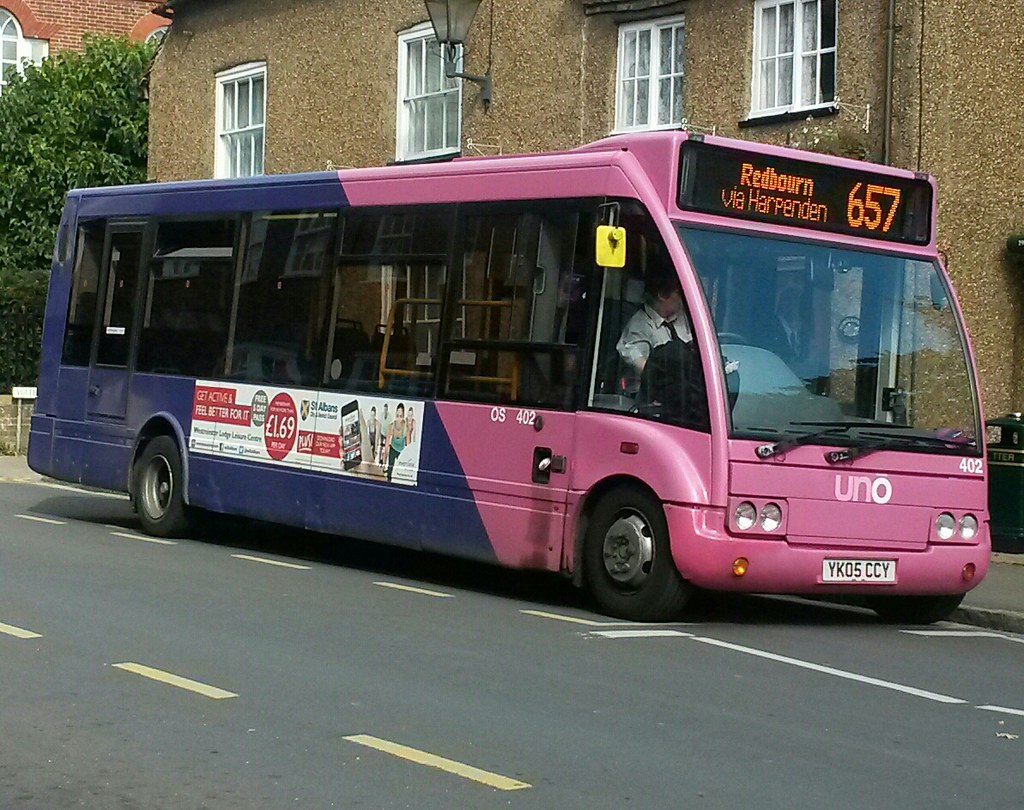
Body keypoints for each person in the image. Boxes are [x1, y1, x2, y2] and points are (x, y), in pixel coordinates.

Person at [616, 273, 693, 393]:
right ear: (662, 295)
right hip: (655, 397)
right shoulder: (639, 326)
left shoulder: (685, 318)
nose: (682, 298)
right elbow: (641, 363)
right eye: (678, 293)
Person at [385, 402, 407, 482]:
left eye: (401, 416)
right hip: (393, 449)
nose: (398, 418)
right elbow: (387, 445)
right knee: (389, 473)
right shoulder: (391, 426)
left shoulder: (405, 427)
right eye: (397, 416)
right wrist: (384, 463)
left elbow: (408, 445)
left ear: (403, 416)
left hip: (401, 451)